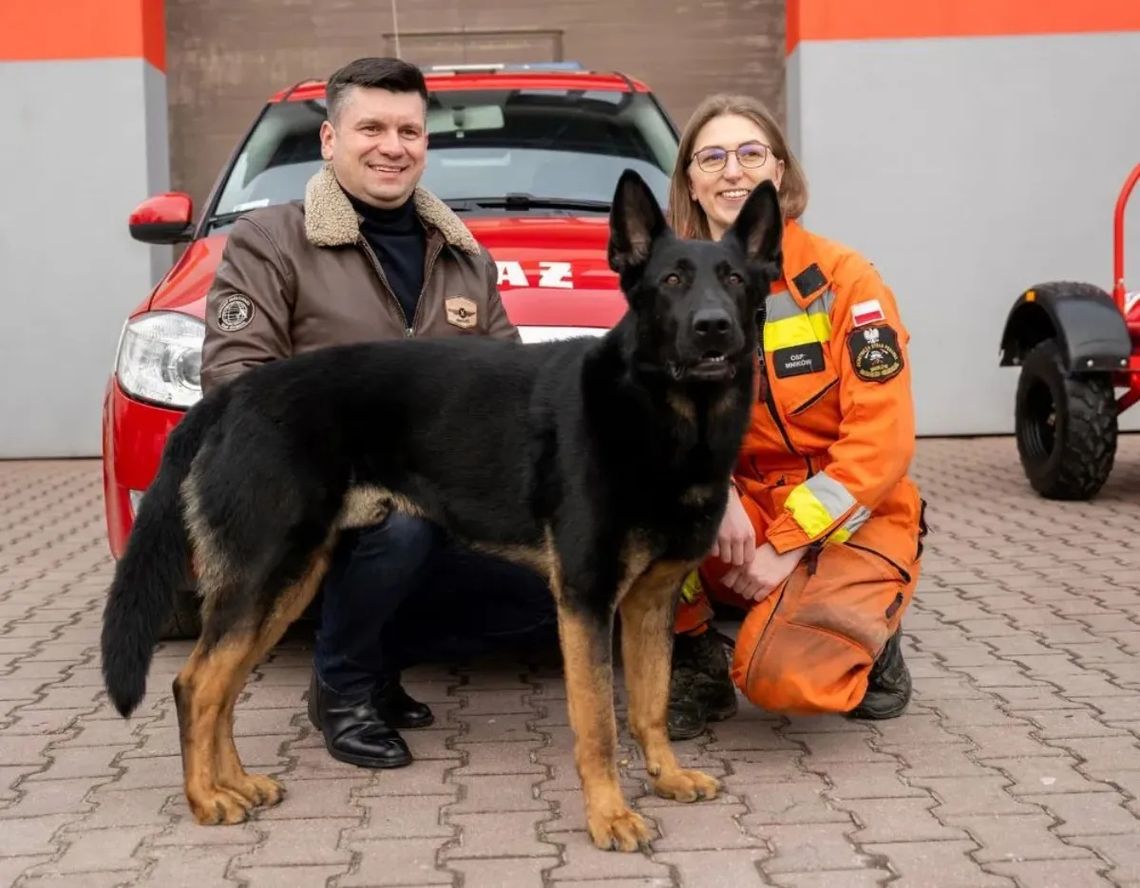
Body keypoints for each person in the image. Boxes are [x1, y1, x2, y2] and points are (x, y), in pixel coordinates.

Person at [199, 57, 556, 769]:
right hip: (322, 490)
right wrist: (344, 486)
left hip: (447, 493)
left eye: (408, 130)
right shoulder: (271, 241)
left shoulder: (463, 256)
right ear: (330, 140)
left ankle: (378, 652)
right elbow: (236, 380)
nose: (392, 146)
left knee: (551, 590)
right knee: (398, 532)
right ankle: (344, 689)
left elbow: (515, 388)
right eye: (371, 128)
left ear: (425, 143)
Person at [662, 93, 928, 740]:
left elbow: (879, 440)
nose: (734, 171)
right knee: (639, 502)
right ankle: (696, 654)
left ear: (780, 173)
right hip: (739, 507)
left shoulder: (844, 281)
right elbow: (653, 420)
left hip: (847, 515)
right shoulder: (668, 286)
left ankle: (869, 638)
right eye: (713, 157)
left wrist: (789, 542)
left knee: (781, 682)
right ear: (690, 183)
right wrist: (713, 486)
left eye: (752, 154)